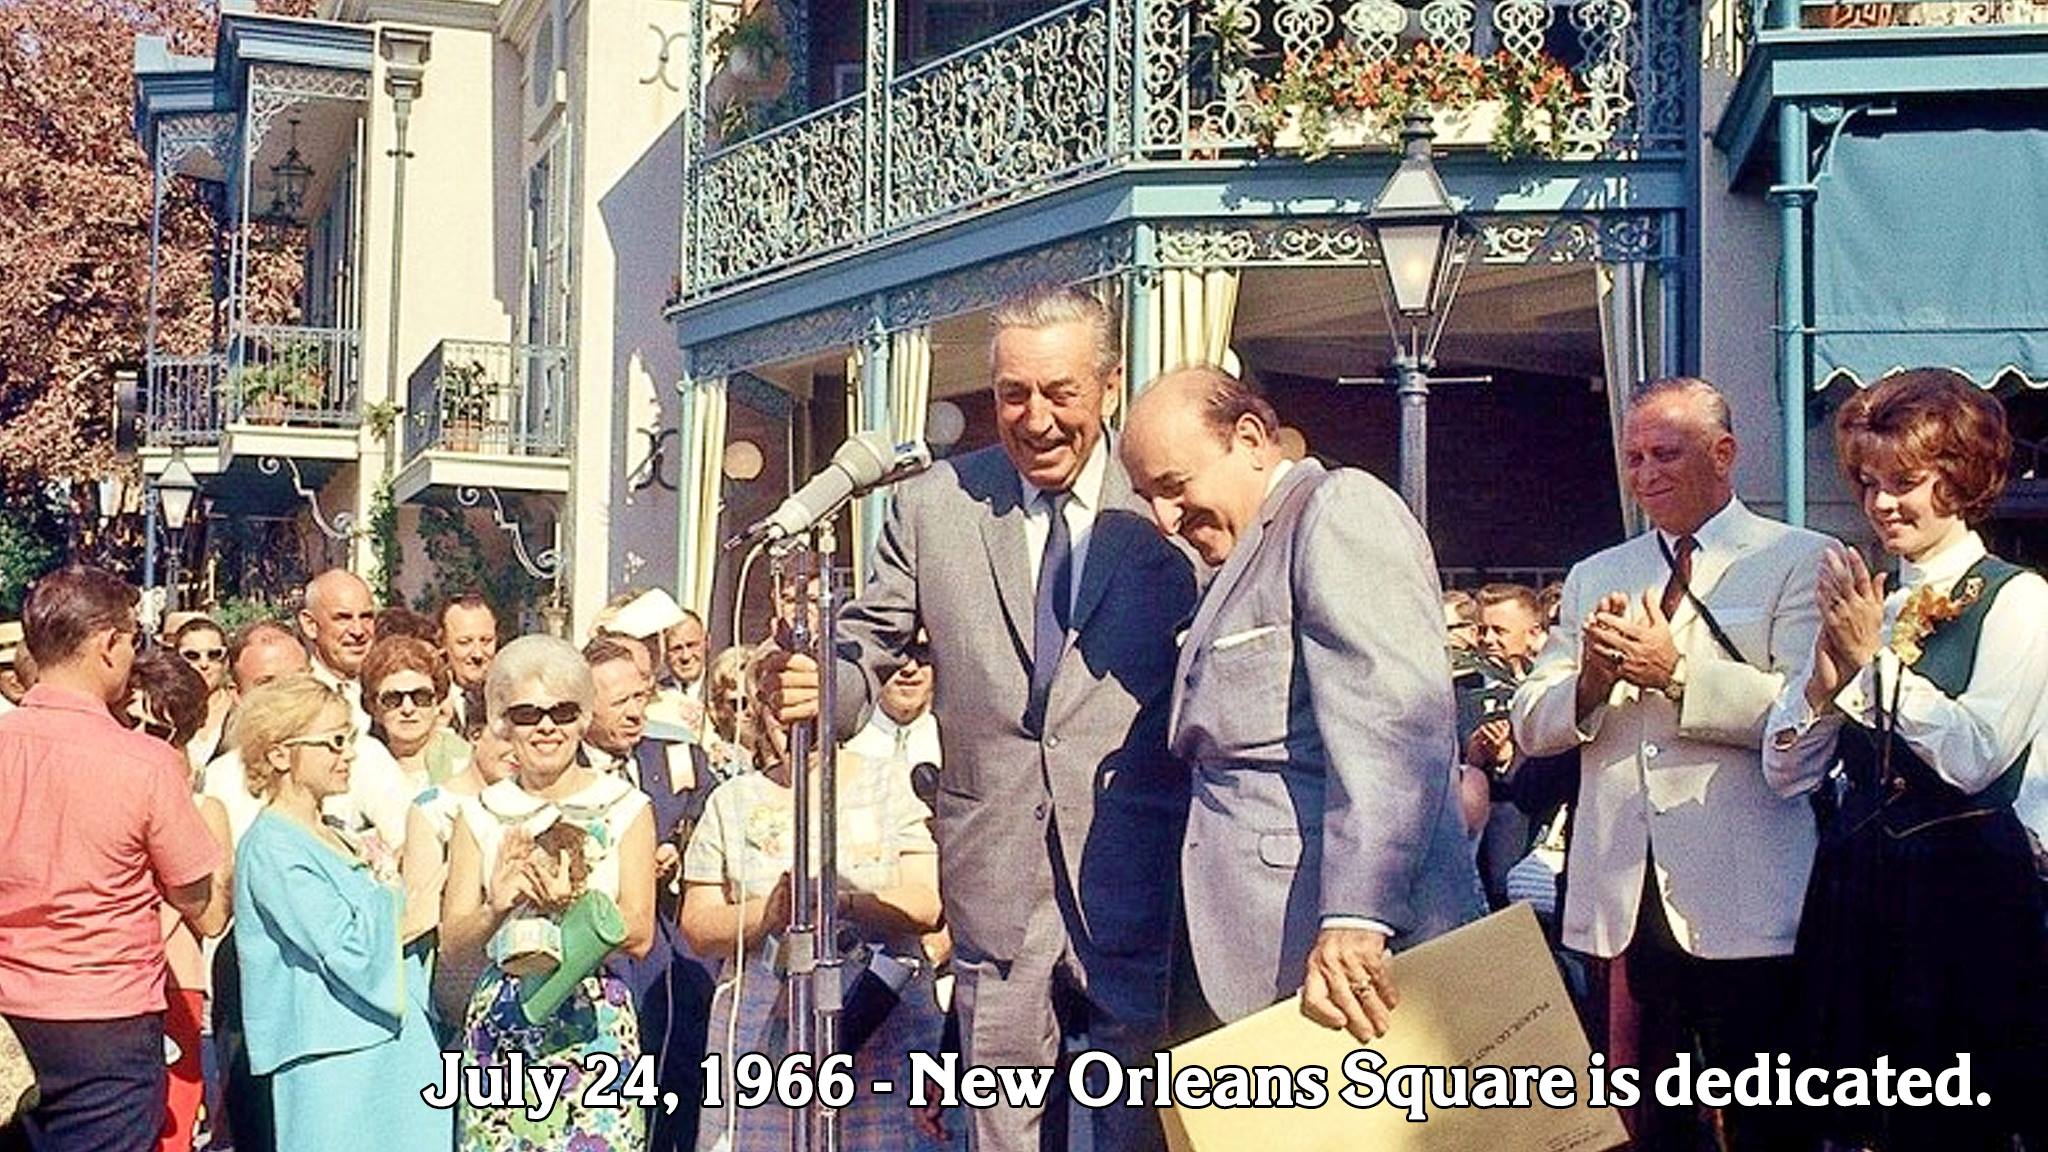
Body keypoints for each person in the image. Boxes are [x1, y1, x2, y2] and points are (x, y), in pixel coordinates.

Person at [762, 284, 1197, 1152]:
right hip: (995, 893)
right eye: (1012, 394)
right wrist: (822, 685)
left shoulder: (1164, 504)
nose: (1035, 419)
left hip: (1140, 888)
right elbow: (867, 643)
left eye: (1060, 393)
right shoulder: (936, 505)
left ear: (1108, 387)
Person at [1511, 377, 1832, 1152]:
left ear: (1724, 454)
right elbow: (1531, 718)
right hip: (1624, 894)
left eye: (1667, 454)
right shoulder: (1599, 573)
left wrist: (1676, 673)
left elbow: (1809, 716)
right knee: (1645, 1119)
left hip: (1747, 897)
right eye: (1634, 457)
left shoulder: (1798, 560)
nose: (1647, 473)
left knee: (1764, 1116)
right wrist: (1591, 677)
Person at [1120, 367, 1482, 1038]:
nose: (1165, 521)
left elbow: (1395, 732)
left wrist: (1358, 916)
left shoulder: (1337, 510)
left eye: (1174, 487)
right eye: (1149, 498)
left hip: (1334, 956)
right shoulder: (1245, 550)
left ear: (1253, 438)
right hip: (1254, 947)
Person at [1763, 369, 2046, 1149]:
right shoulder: (1870, 602)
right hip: (1857, 885)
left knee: (1958, 1117)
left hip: (1963, 889)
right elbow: (1787, 773)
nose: (1882, 503)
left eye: (1905, 482)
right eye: (1867, 481)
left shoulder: (2018, 598)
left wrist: (1868, 669)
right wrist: (1820, 689)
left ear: (1959, 478)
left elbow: (1976, 755)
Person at [682, 655, 944, 1152]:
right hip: (765, 1031)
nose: (793, 728)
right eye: (778, 713)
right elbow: (696, 925)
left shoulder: (890, 784)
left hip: (876, 1020)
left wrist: (843, 902)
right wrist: (770, 913)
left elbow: (926, 904)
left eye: (808, 714)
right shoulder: (732, 801)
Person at [0, 566, 221, 1151]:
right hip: (105, 1015)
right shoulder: (143, 763)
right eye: (130, 640)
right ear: (107, 646)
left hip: (7, 1009)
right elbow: (197, 895)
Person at [441, 635, 656, 1151]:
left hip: (593, 1017)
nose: (545, 727)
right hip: (504, 1018)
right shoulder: (479, 812)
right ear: (502, 722)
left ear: (582, 718)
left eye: (561, 712)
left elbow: (641, 931)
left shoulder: (626, 806)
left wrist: (573, 901)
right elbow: (452, 944)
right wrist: (498, 904)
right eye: (527, 713)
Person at [229, 675, 450, 1151]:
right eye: (333, 742)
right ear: (279, 754)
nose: (349, 753)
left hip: (397, 1047)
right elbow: (348, 949)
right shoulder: (271, 847)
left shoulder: (336, 833)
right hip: (334, 1064)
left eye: (349, 738)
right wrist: (412, 903)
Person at [586, 638, 720, 1151]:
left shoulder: (681, 758)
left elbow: (708, 828)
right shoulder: (566, 767)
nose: (635, 712)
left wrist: (680, 856)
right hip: (610, 958)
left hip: (676, 956)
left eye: (641, 697)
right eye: (619, 702)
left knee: (681, 1081)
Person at [124, 649, 234, 1152]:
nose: (136, 740)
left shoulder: (201, 808)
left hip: (173, 986)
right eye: (128, 721)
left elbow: (212, 916)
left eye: (157, 731)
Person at [402, 724, 520, 1026]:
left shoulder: (529, 800)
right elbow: (422, 909)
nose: (516, 749)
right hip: (462, 977)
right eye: (506, 737)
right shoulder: (432, 807)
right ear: (475, 734)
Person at [842, 639, 941, 771]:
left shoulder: (954, 743)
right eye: (896, 655)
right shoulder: (844, 734)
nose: (909, 668)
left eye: (923, 654)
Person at [298, 569, 376, 730]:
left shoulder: (392, 689)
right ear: (310, 625)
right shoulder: (294, 696)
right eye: (343, 618)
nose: (358, 631)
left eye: (366, 617)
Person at [171, 617, 234, 765]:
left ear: (226, 660)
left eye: (214, 654)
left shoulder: (241, 709)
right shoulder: (165, 713)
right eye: (192, 656)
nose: (204, 664)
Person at [439, 593, 498, 739]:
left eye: (486, 641)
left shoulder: (510, 696)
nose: (478, 654)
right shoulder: (431, 699)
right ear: (443, 643)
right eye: (465, 642)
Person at [648, 608, 708, 742]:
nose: (686, 656)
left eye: (692, 645)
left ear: (707, 642)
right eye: (677, 648)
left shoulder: (722, 689)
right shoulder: (655, 696)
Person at [701, 647, 755, 779]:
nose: (751, 710)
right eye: (739, 704)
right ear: (719, 709)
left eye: (757, 701)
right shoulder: (714, 763)